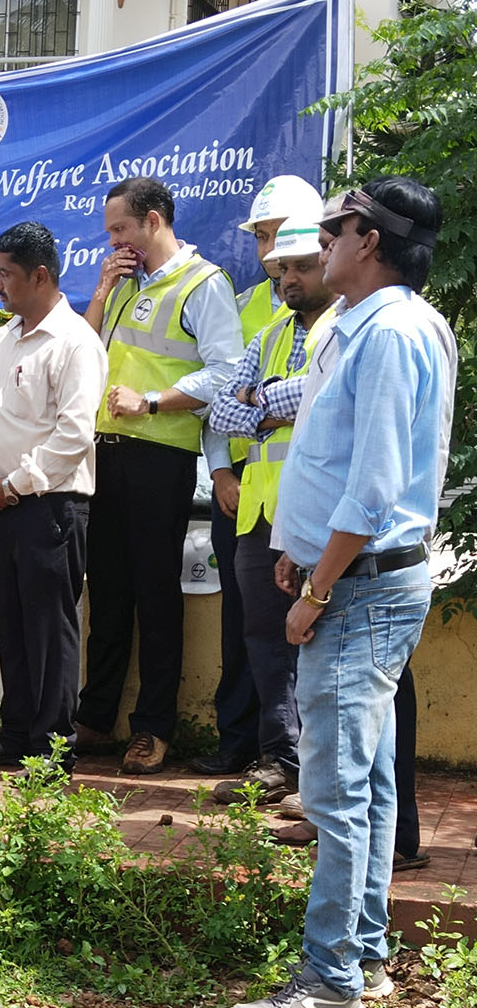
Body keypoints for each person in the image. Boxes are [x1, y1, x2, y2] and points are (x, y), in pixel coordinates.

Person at [231, 178, 455, 1008]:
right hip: (353, 577)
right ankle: (360, 956)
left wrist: (316, 586)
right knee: (364, 781)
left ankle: (329, 984)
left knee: (331, 789)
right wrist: (301, 555)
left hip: (360, 585)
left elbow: (372, 486)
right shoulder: (366, 325)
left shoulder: (391, 332)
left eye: (333, 227)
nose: (319, 239)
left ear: (370, 240)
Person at [74, 177, 242, 774]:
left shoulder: (204, 283)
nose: (114, 240)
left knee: (154, 594)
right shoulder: (122, 282)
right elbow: (84, 346)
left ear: (152, 221)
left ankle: (152, 729)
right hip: (106, 452)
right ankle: (94, 720)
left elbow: (226, 373)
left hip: (160, 457)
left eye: (120, 229)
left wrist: (150, 400)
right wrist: (100, 289)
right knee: (109, 591)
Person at [0, 221, 107, 768]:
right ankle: (17, 734)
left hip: (51, 507)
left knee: (50, 628)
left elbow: (72, 436)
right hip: (4, 505)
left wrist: (13, 486)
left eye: (6, 275)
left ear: (39, 275)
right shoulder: (4, 338)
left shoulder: (75, 344)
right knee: (15, 624)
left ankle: (52, 746)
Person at [206, 214, 338, 807]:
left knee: (323, 644)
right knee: (264, 638)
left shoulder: (347, 328)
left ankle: (320, 778)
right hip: (261, 515)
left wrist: (260, 397)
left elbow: (318, 393)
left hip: (324, 516)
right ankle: (280, 761)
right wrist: (273, 399)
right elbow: (222, 414)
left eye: (302, 266)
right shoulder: (272, 334)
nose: (289, 277)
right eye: (282, 267)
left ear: (330, 264)